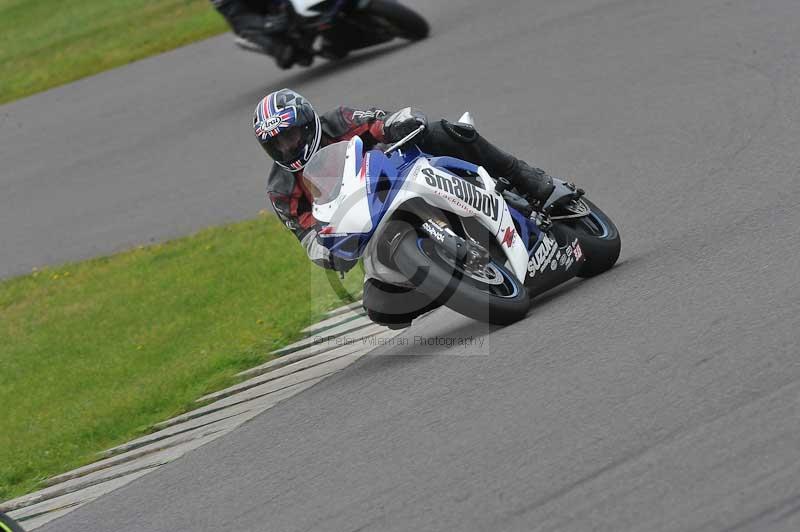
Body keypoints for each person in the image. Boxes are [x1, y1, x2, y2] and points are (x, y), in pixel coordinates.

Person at [254, 88, 577, 327]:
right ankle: (450, 282)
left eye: (291, 135)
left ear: (308, 124)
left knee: (445, 132)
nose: (287, 146)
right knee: (379, 306)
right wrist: (327, 249)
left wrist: (399, 123)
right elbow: (308, 236)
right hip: (369, 226)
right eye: (277, 144)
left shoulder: (338, 121)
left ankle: (532, 180)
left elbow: (379, 123)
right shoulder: (281, 190)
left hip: (398, 175)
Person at [210, 0, 308, 69]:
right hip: (254, 14)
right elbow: (236, 17)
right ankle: (277, 48)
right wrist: (269, 24)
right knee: (286, 52)